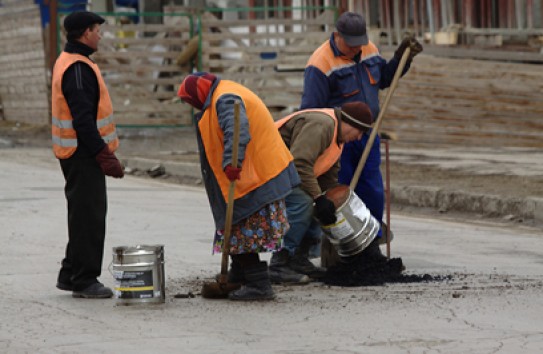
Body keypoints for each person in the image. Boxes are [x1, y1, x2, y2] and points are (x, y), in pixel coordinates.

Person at [300, 11, 422, 260]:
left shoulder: (369, 50)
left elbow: (385, 79)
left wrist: (402, 58)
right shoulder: (321, 63)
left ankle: (370, 243)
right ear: (337, 36)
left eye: (360, 43)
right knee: (340, 192)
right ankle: (339, 248)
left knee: (372, 190)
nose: (356, 49)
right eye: (351, 44)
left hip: (368, 135)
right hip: (339, 139)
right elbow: (311, 110)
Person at [177, 72, 300, 301]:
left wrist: (232, 162)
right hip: (254, 174)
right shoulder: (221, 94)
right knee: (235, 228)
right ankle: (239, 275)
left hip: (256, 176)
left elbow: (237, 128)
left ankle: (258, 284)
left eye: (189, 99)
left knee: (241, 233)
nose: (190, 105)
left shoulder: (225, 99)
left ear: (198, 93)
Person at [52, 11, 124, 298]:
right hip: (83, 154)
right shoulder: (78, 68)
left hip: (75, 152)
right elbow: (83, 121)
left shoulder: (69, 60)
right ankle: (84, 280)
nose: (100, 35)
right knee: (89, 217)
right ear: (85, 33)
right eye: (97, 30)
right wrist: (104, 154)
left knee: (80, 214)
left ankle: (70, 272)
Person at [269, 102, 373, 283]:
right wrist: (318, 197)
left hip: (287, 172)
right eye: (360, 132)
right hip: (267, 168)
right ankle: (280, 262)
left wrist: (329, 199)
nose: (358, 138)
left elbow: (328, 177)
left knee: (324, 207)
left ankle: (298, 259)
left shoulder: (338, 137)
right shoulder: (323, 125)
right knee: (304, 202)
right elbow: (299, 164)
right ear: (350, 124)